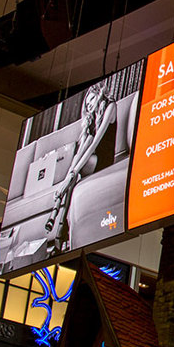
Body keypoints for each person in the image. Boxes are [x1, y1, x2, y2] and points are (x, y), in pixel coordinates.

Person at [44, 81, 117, 255]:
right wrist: (70, 174)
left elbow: (95, 143)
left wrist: (72, 172)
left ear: (99, 97)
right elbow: (82, 150)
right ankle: (61, 230)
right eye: (87, 103)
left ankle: (56, 221)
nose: (90, 105)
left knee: (89, 141)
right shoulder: (89, 119)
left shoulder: (110, 106)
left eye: (92, 100)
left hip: (102, 160)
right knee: (76, 170)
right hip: (87, 161)